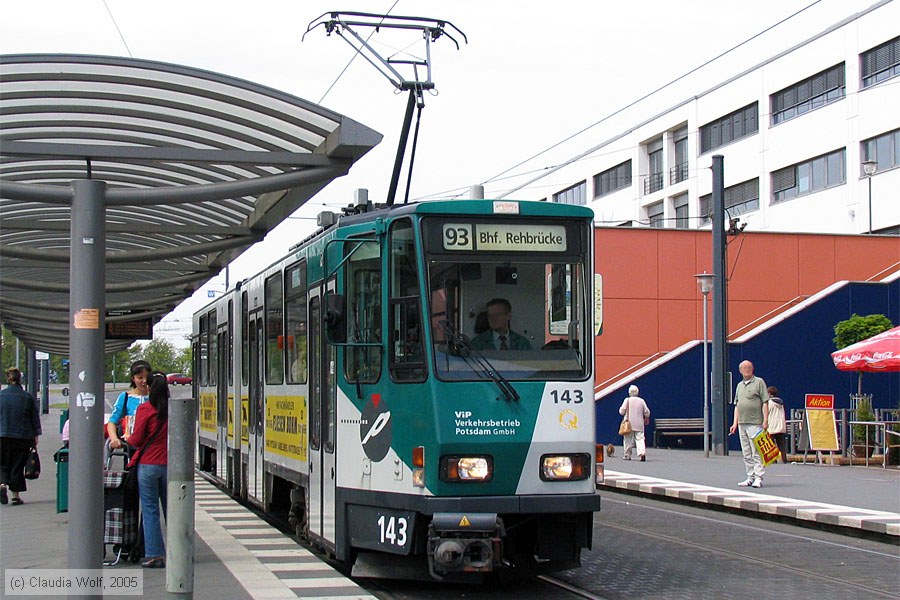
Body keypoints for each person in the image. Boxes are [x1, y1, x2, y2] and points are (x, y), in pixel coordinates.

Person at [127, 372, 169, 569]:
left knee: (151, 511)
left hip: (148, 464)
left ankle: (155, 555)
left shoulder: (146, 409)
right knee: (174, 510)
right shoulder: (173, 409)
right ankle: (181, 551)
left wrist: (126, 438)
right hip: (169, 465)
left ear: (150, 388)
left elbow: (136, 440)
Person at [0, 367, 42, 506]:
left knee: (3, 463)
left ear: (7, 379)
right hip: (23, 436)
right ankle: (15, 496)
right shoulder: (27, 397)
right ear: (20, 379)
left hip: (3, 435)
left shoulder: (1, 396)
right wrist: (36, 435)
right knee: (17, 465)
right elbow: (34, 418)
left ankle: (2, 485)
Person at [729, 360, 769, 488]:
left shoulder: (759, 382)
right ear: (740, 370)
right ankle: (749, 476)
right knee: (746, 452)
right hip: (742, 423)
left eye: (749, 367)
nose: (747, 370)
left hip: (755, 422)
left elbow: (765, 402)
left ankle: (759, 477)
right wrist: (735, 423)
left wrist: (765, 420)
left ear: (753, 369)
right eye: (744, 368)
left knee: (756, 451)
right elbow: (737, 405)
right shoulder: (739, 385)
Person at [107, 360, 151, 451]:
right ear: (133, 378)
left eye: (147, 377)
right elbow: (112, 421)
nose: (144, 381)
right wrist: (114, 439)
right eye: (140, 377)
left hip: (152, 447)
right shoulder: (126, 397)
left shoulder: (157, 396)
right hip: (131, 446)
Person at [619, 385, 651, 461]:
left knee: (628, 440)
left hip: (629, 424)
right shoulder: (641, 401)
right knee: (640, 439)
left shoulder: (627, 400)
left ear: (629, 392)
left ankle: (627, 455)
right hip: (639, 424)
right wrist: (646, 418)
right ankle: (641, 453)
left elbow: (621, 411)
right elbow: (647, 412)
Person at [767, 386, 788, 463]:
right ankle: (784, 459)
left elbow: (766, 413)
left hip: (772, 426)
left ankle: (773, 459)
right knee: (781, 444)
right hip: (781, 426)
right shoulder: (781, 403)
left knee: (771, 444)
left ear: (769, 393)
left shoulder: (769, 403)